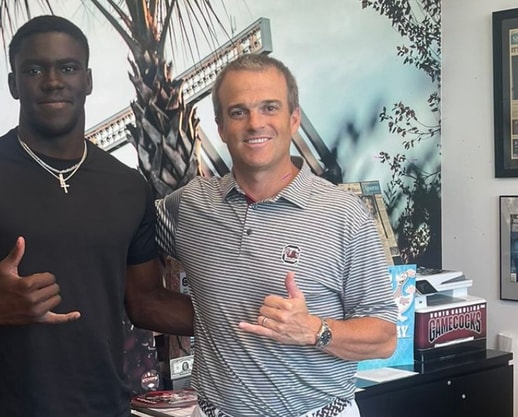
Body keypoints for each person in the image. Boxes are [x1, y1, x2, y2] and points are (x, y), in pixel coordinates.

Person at [0, 15, 192, 417]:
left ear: (87, 80)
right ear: (13, 83)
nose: (53, 81)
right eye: (35, 69)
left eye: (68, 68)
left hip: (105, 407)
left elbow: (145, 302)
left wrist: (236, 317)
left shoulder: (128, 187)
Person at [155, 53, 397, 417]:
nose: (255, 123)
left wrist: (316, 330)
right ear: (220, 127)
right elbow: (121, 235)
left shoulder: (344, 215)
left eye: (270, 108)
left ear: (293, 118)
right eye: (239, 112)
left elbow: (384, 336)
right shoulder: (190, 205)